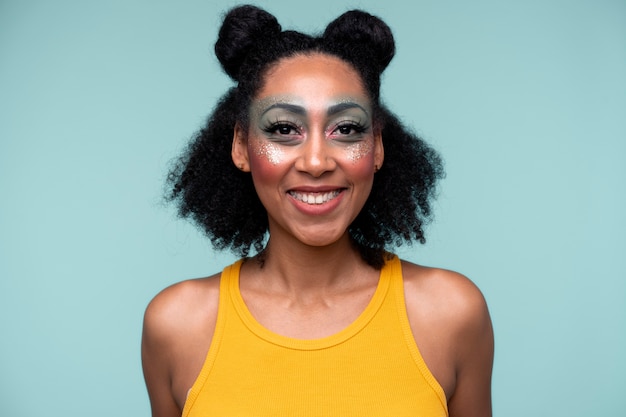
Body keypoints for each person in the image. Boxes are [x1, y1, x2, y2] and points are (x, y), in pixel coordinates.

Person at [141, 4, 494, 417]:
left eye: (346, 129)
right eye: (284, 129)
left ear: (377, 147)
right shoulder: (177, 325)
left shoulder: (450, 313)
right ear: (241, 146)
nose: (315, 161)